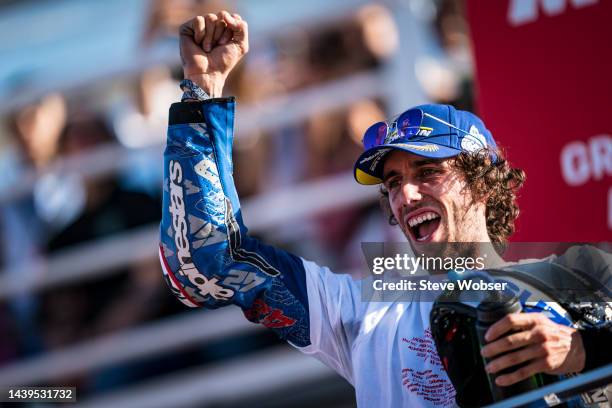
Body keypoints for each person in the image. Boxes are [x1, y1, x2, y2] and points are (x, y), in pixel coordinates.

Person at [158, 12, 611, 407]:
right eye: (393, 182)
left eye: (427, 172)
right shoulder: (363, 312)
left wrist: (579, 351)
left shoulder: (575, 278)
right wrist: (202, 92)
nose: (405, 195)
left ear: (482, 184)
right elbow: (211, 260)